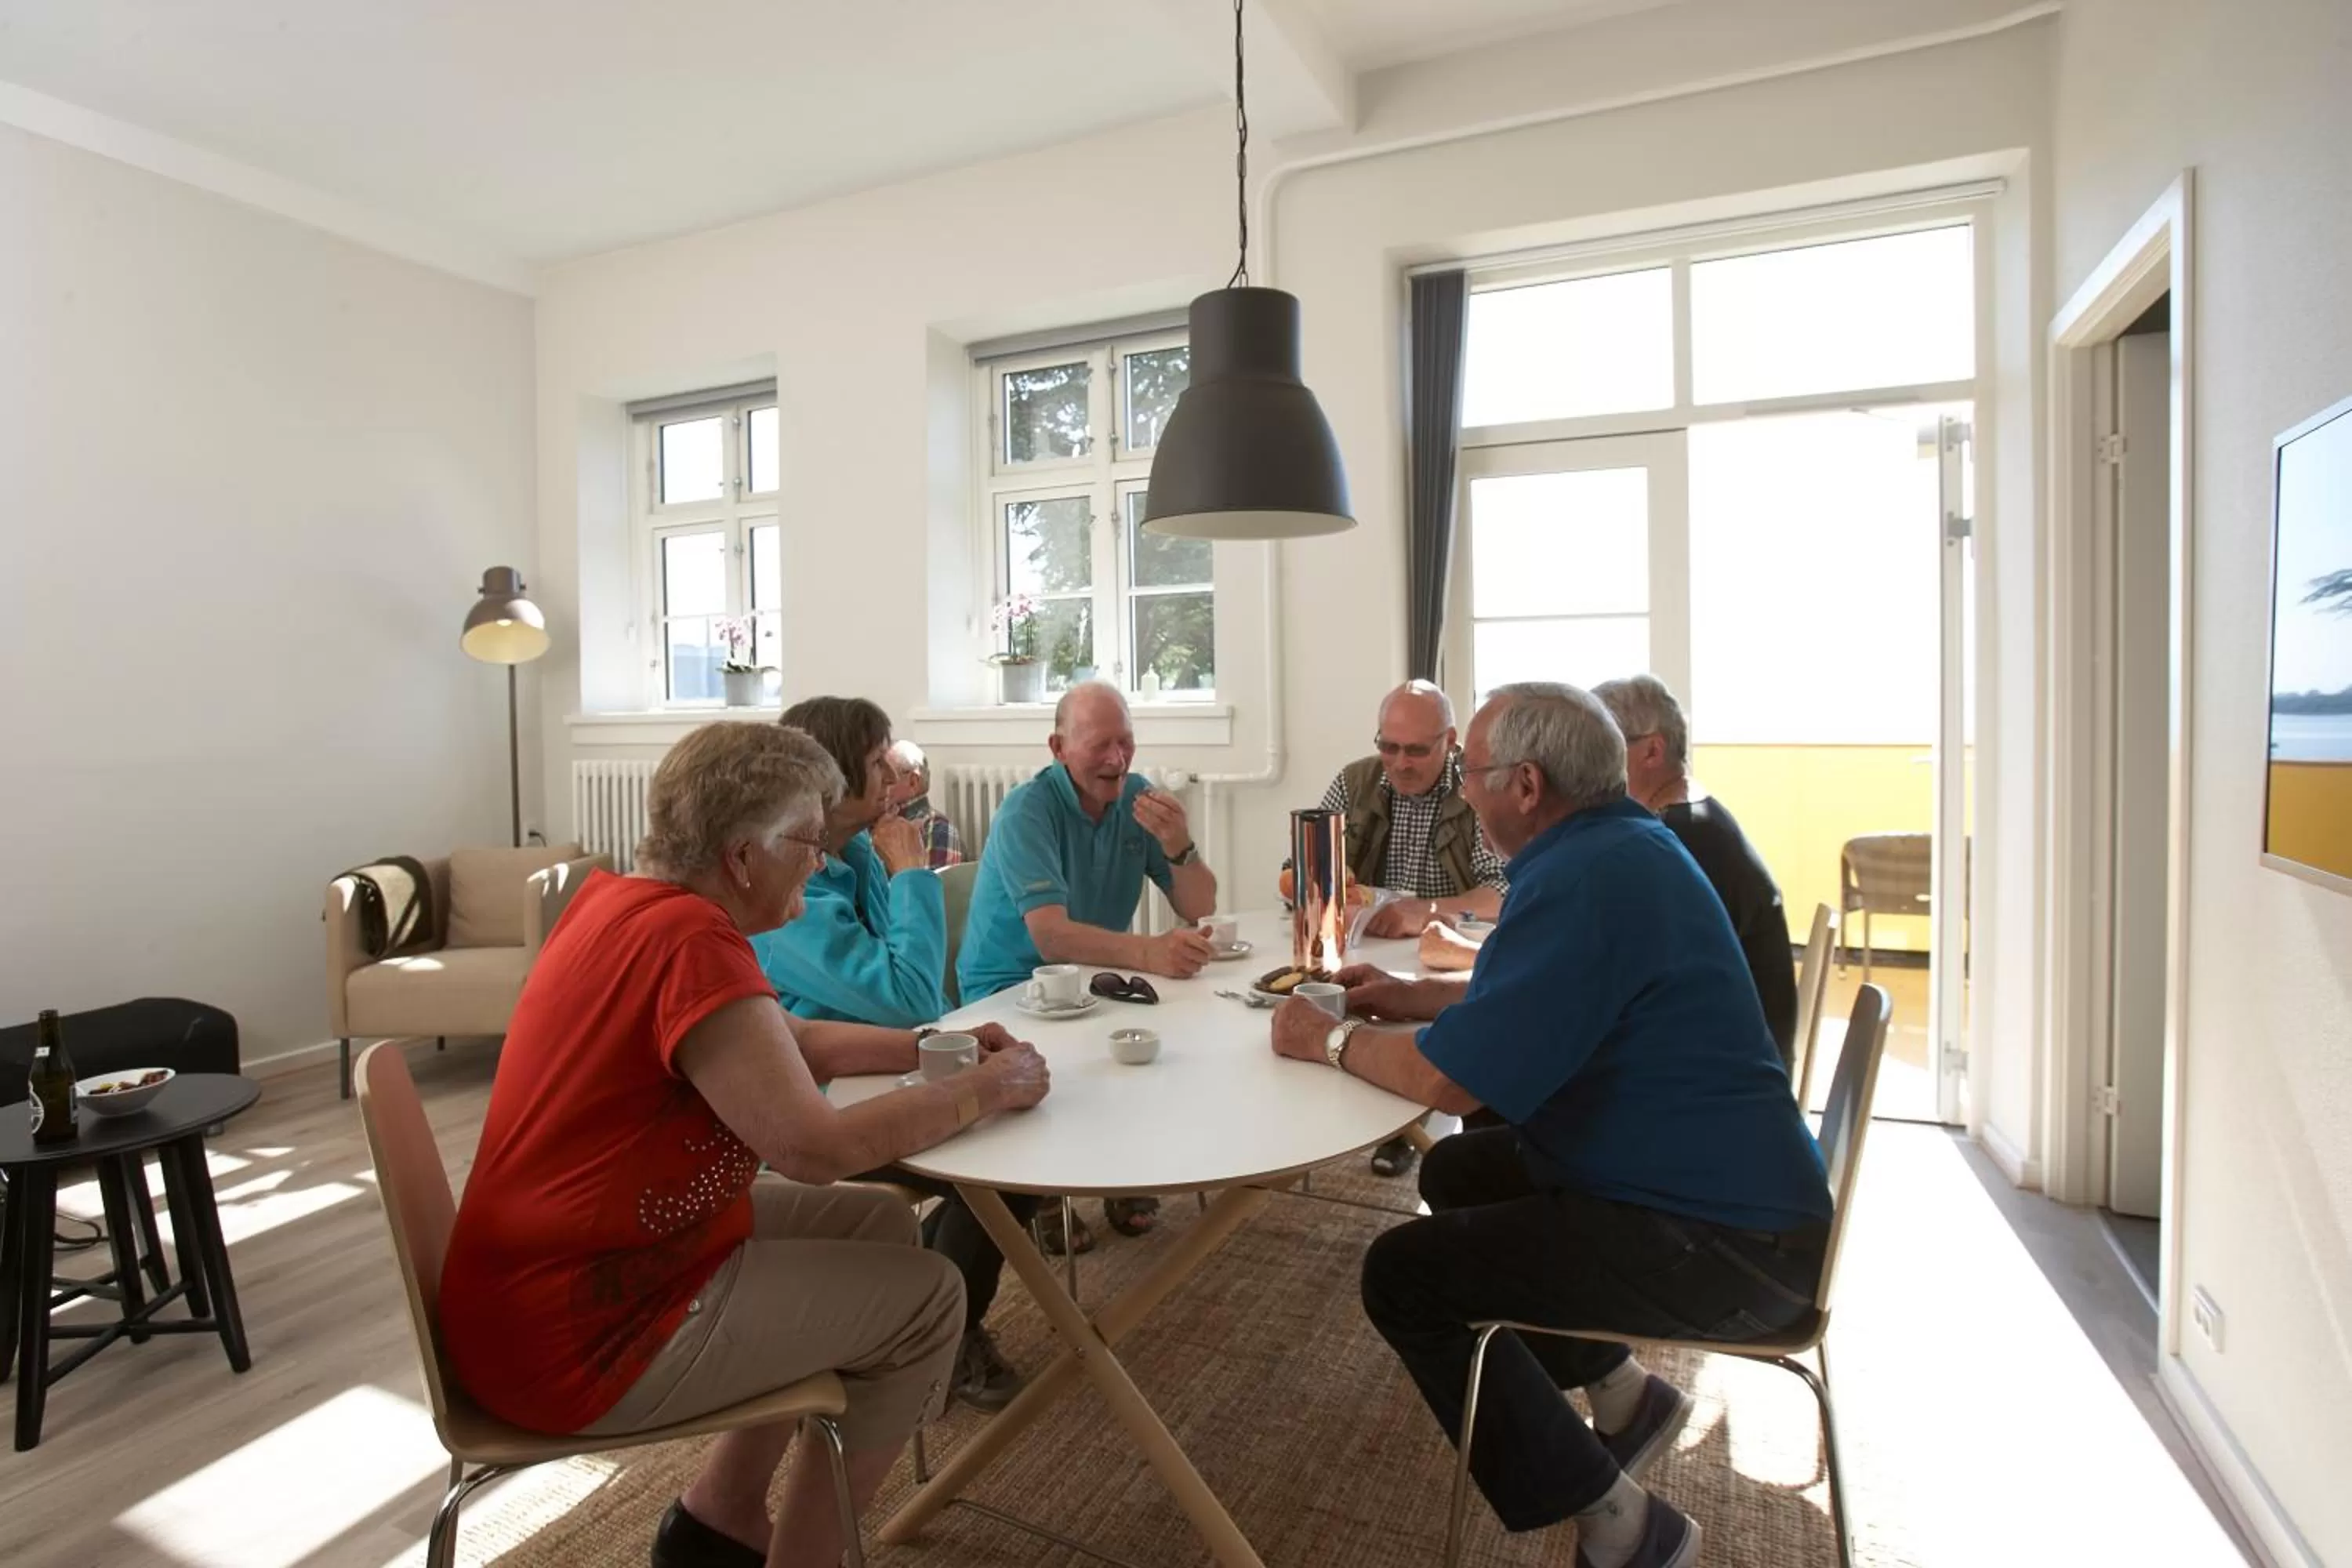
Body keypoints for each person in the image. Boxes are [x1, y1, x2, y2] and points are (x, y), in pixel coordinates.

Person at [440, 721, 1051, 1568]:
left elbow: (785, 1039)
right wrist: (983, 1089)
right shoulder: (688, 940)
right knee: (929, 1299)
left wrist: (924, 1046)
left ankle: (717, 1518)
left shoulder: (626, 901)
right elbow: (814, 1146)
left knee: (880, 1227)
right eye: (807, 839)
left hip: (556, 1275)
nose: (819, 858)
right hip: (582, 1328)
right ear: (741, 855)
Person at [1273, 683, 1831, 1568]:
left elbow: (1446, 1081)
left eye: (1475, 775)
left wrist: (1330, 1036)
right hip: (1734, 1194)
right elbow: (1546, 987)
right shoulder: (1619, 846)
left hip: (1729, 1249)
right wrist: (1414, 993)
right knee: (1459, 1175)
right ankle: (1621, 1394)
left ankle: (1624, 1525)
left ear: (1526, 784)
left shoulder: (1584, 877)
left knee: (1402, 1273)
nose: (1462, 792)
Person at [750, 697, 1038, 1412]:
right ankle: (938, 1335)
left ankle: (933, 1315)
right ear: (830, 774)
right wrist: (912, 872)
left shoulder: (852, 853)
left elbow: (910, 1004)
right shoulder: (795, 880)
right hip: (815, 1101)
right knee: (1000, 1167)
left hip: (876, 1065)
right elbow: (912, 993)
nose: (895, 775)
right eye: (879, 761)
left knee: (1024, 1137)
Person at [958, 679, 1219, 1240]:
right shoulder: (1027, 811)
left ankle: (1121, 1171)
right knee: (1086, 1049)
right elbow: (1050, 938)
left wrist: (1181, 845)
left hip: (1093, 981)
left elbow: (1199, 906)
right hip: (1009, 983)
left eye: (1126, 742)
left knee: (1164, 1032)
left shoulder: (1137, 798)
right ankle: (1045, 1192)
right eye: (1101, 744)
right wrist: (1150, 952)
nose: (1117, 758)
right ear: (1058, 748)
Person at [1317, 680, 1509, 1178]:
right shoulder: (1354, 782)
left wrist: (1421, 910)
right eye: (1388, 746)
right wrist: (1328, 886)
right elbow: (1303, 868)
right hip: (1362, 943)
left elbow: (1500, 895)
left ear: (1450, 741)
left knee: (1411, 1007)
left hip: (1445, 951)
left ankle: (1410, 1126)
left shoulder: (1477, 788)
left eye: (1417, 750)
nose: (1400, 762)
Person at [1592, 673, 1798, 1071]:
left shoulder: (1684, 836)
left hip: (1723, 1088)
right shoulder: (1691, 817)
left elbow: (1615, 977)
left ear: (1652, 750)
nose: (1588, 763)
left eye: (1604, 747)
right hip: (1727, 1066)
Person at [889, 738, 964, 867]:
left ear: (913, 782)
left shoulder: (938, 830)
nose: (879, 781)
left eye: (888, 775)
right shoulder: (872, 821)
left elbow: (936, 887)